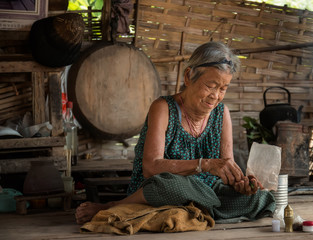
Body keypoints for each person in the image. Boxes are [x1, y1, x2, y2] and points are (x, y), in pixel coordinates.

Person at [75, 41, 276, 225]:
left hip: (206, 191)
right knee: (170, 186)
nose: (216, 96)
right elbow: (151, 167)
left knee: (261, 199)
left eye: (223, 88)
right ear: (189, 76)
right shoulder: (163, 108)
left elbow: (226, 168)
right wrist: (204, 164)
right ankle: (114, 206)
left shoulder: (221, 114)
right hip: (164, 187)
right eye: (210, 86)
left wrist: (240, 184)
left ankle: (202, 207)